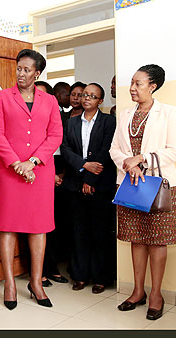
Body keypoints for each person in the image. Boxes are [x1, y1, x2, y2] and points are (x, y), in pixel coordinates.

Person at [0, 49, 62, 310]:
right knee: (6, 225)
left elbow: (55, 136)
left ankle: (36, 282)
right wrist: (16, 163)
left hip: (39, 172)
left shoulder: (50, 101)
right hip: (8, 172)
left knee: (38, 226)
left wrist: (31, 162)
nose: (20, 73)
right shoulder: (2, 97)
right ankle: (9, 284)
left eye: (26, 69)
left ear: (37, 73)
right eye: (18, 68)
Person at [110, 64, 176, 320]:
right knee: (136, 238)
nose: (131, 88)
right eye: (131, 83)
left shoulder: (168, 113)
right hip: (130, 184)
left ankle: (156, 295)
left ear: (153, 86)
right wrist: (128, 163)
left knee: (157, 240)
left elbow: (175, 150)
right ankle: (138, 292)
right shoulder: (126, 114)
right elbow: (114, 149)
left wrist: (141, 159)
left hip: (159, 186)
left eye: (138, 84)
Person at [61, 83, 116, 294]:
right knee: (78, 232)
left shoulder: (109, 122)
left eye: (92, 96)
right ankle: (80, 275)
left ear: (100, 101)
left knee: (100, 232)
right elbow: (65, 149)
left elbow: (106, 150)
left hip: (100, 186)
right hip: (75, 184)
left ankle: (100, 278)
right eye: (85, 95)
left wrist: (90, 181)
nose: (86, 98)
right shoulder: (72, 123)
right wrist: (83, 167)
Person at [35, 80, 70, 287]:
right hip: (35, 169)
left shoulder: (53, 115)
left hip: (55, 168)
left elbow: (59, 144)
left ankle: (52, 267)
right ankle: (38, 273)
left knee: (53, 225)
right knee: (34, 226)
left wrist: (59, 174)